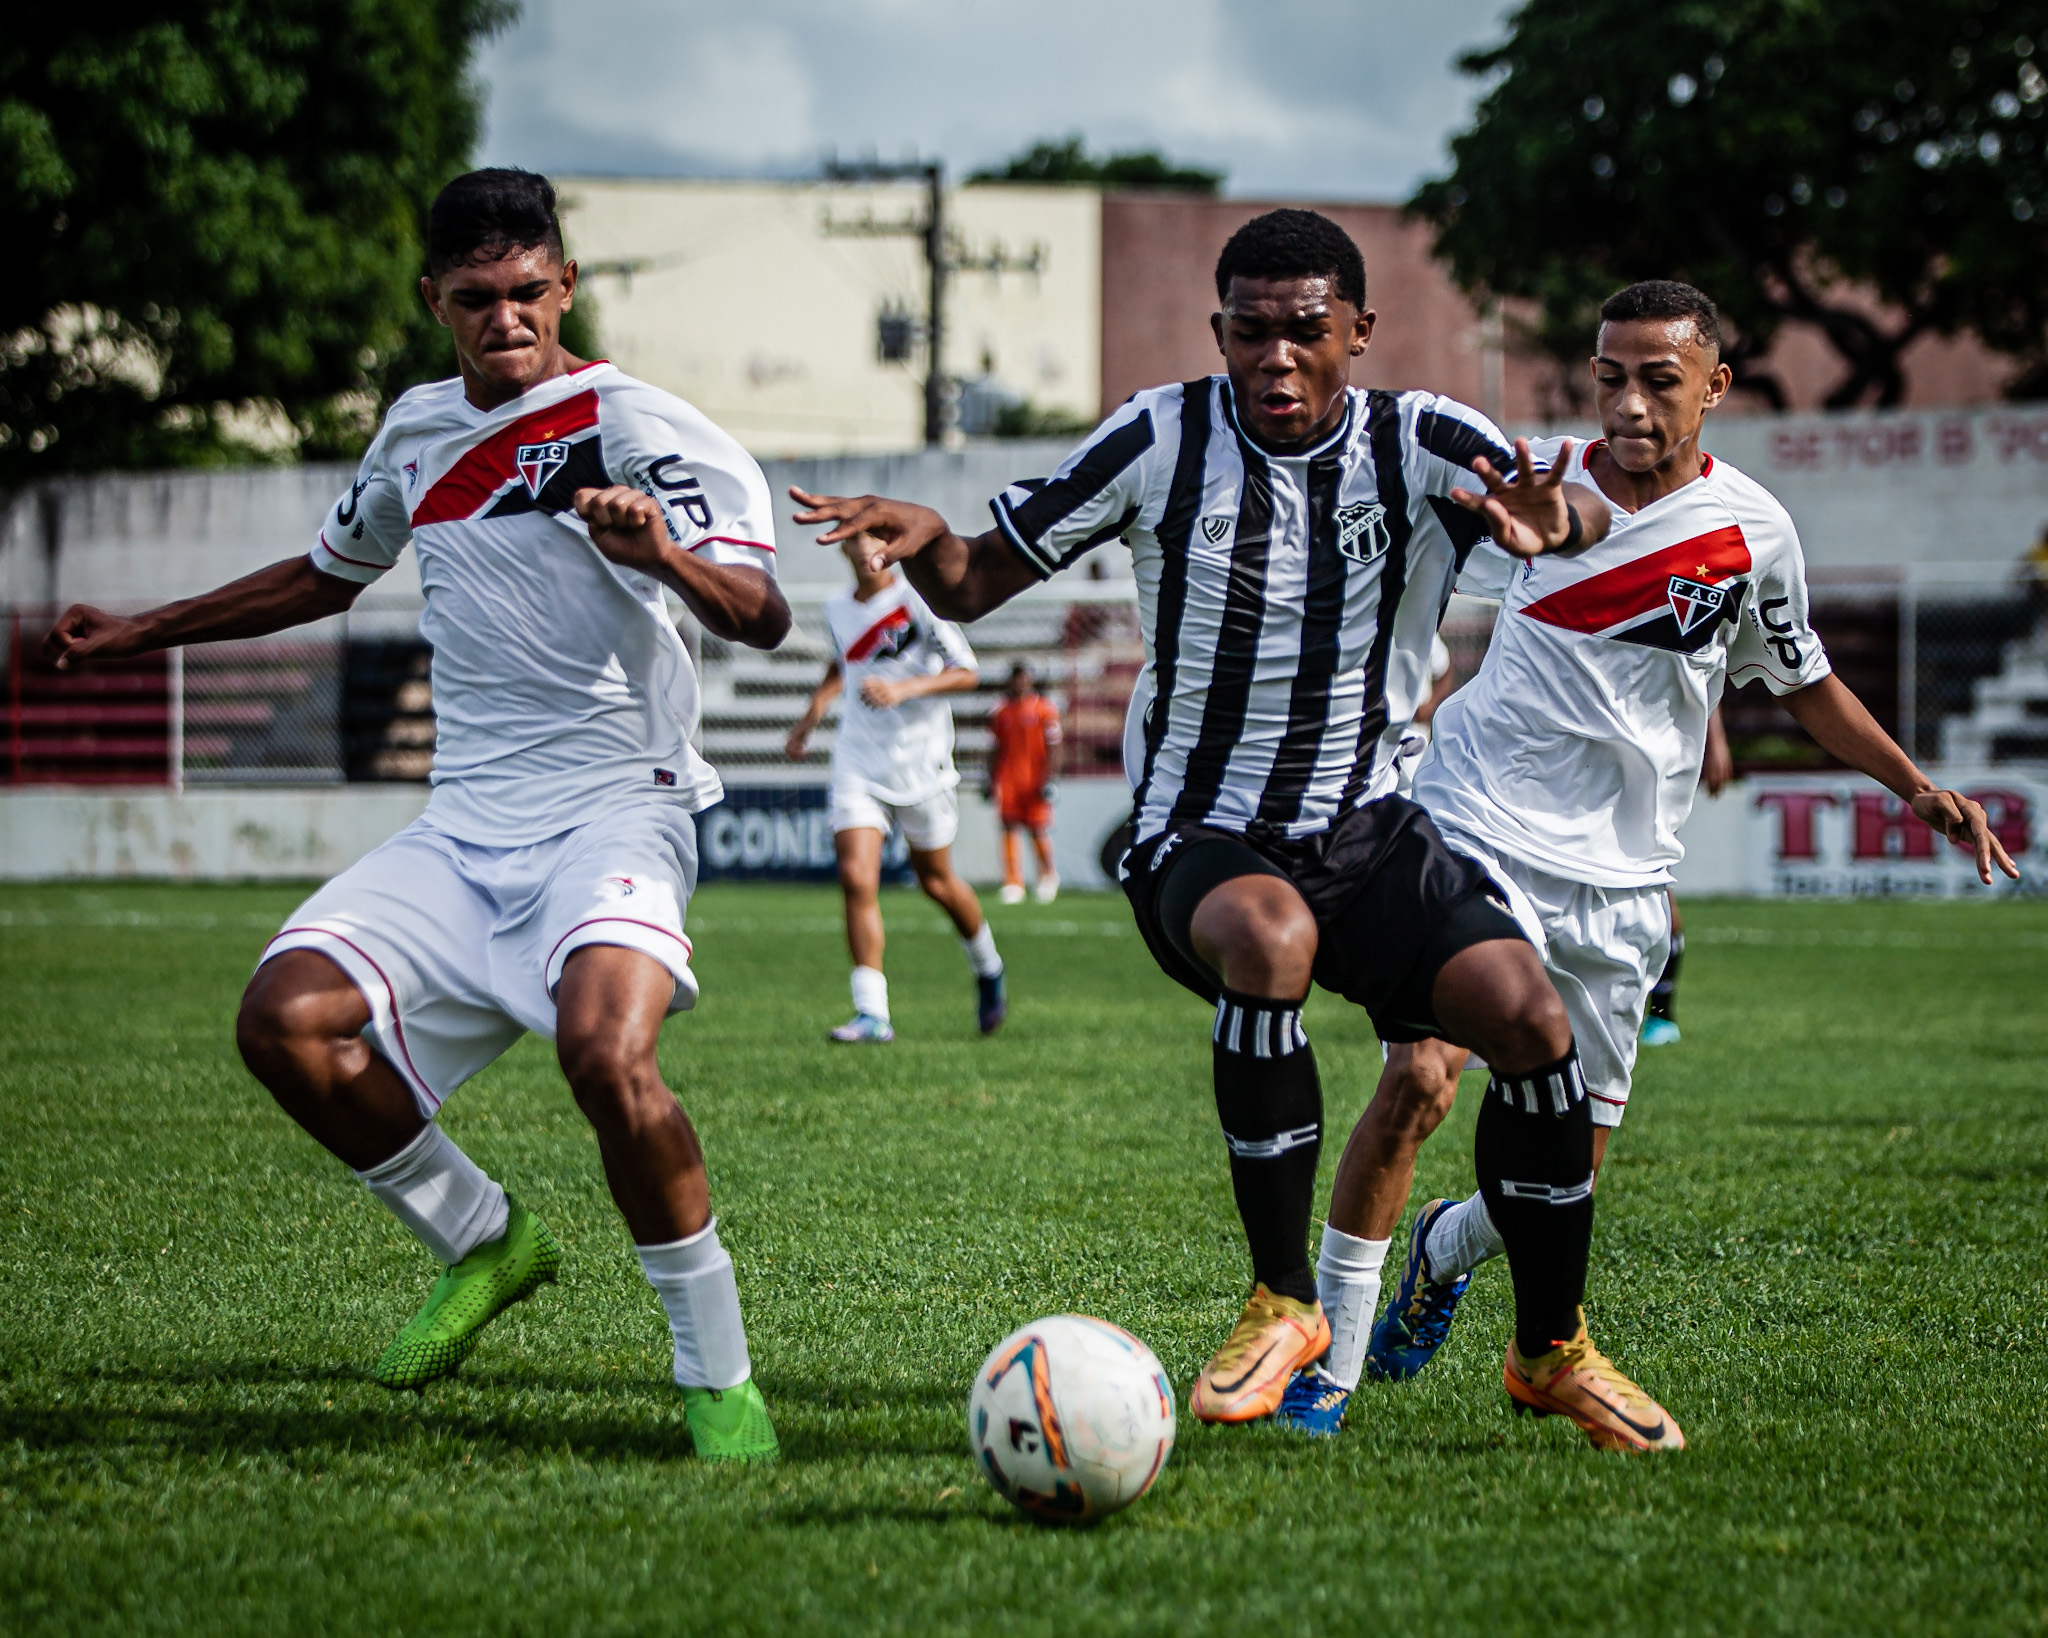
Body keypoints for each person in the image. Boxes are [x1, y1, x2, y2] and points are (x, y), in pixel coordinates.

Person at [791, 209, 1692, 1452]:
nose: (1275, 358)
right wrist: (926, 542)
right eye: (1249, 332)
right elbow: (979, 576)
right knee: (1268, 940)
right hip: (1200, 838)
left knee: (1533, 1025)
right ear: (1218, 332)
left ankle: (1549, 1349)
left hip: (1371, 834)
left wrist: (1560, 529)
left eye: (1304, 333)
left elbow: (1565, 515)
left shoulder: (1425, 439)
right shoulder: (1156, 438)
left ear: (1358, 335)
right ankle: (1283, 1304)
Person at [41, 170, 796, 1462]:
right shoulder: (414, 431)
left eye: (524, 292)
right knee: (286, 1021)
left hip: (620, 804)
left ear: (563, 284)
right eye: (473, 298)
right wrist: (143, 628)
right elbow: (326, 574)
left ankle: (716, 1376)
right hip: (467, 821)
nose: (504, 317)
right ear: (433, 300)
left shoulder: (631, 419)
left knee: (607, 1057)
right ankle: (482, 1240)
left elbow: (761, 613)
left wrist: (658, 550)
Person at [1303, 280, 2018, 1434]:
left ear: (1715, 389)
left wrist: (1916, 787)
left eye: (1657, 380)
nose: (1627, 403)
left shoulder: (1751, 531)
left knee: (1559, 1172)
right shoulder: (1528, 477)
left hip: (1627, 876)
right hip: (1474, 819)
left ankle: (1446, 1248)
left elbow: (1800, 680)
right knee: (1422, 1075)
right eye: (1607, 377)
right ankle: (1322, 1372)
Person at [785, 541, 1007, 1042]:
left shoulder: (920, 599)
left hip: (921, 763)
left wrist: (902, 690)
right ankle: (872, 1013)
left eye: (876, 541)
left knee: (937, 882)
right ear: (844, 548)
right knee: (856, 877)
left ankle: (988, 967)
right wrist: (812, 714)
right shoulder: (835, 607)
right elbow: (844, 664)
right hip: (858, 759)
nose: (868, 552)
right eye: (857, 541)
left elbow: (967, 672)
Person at [1640, 707, 1733, 1048]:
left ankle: (1661, 1014)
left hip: (1653, 751)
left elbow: (1709, 663)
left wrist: (1715, 739)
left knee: (1655, 879)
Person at [989, 662, 1064, 903]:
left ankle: (1047, 876)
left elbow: (1055, 746)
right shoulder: (1001, 711)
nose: (1020, 683)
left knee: (1037, 828)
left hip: (1035, 779)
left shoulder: (1045, 709)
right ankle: (1013, 882)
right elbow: (994, 748)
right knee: (1009, 827)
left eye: (1024, 678)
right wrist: (989, 779)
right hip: (1009, 779)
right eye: (1016, 678)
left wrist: (1050, 778)